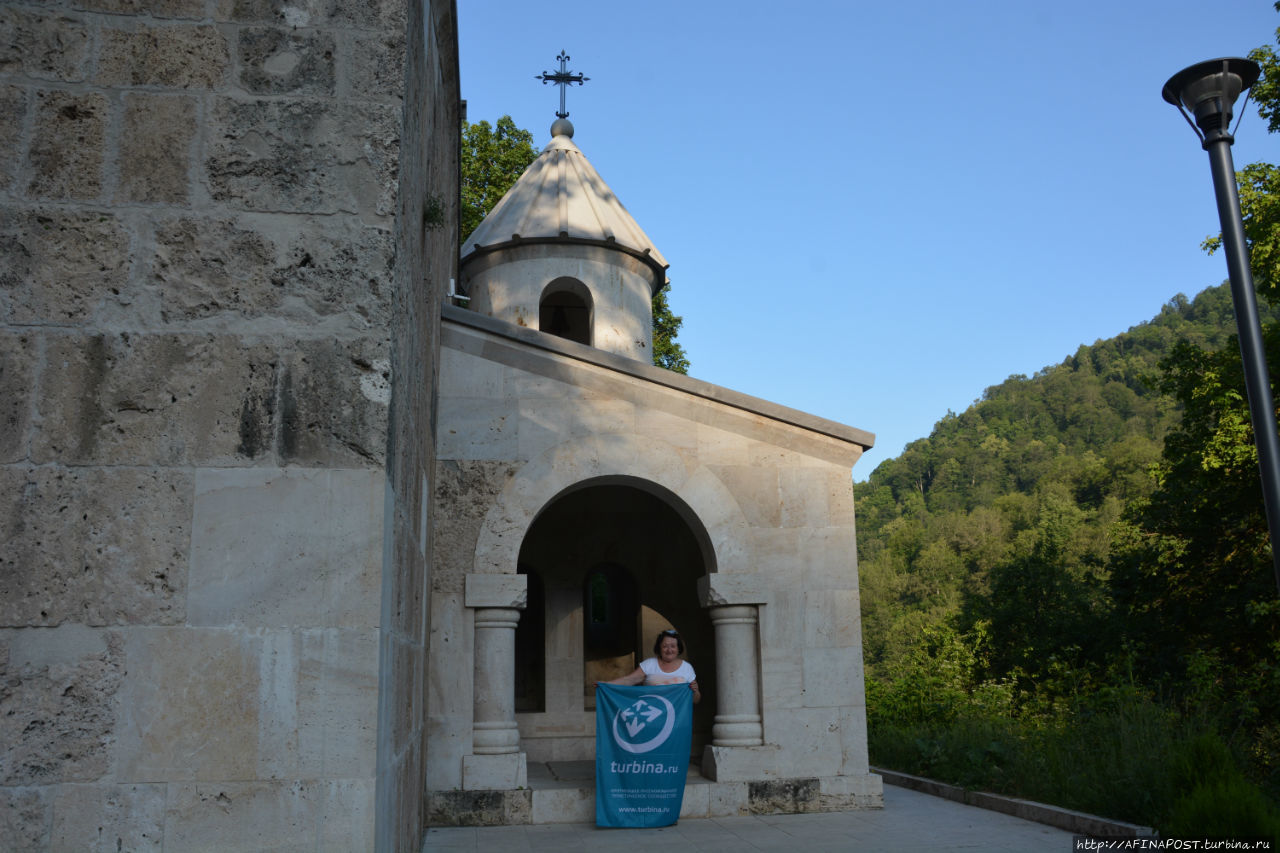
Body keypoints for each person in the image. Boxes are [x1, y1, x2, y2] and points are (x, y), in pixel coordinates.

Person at [605, 629, 700, 703]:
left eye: (673, 646)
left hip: (676, 721)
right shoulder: (649, 664)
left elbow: (696, 700)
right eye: (665, 646)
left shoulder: (686, 668)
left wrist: (695, 691)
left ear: (678, 649)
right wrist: (606, 685)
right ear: (659, 648)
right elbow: (629, 679)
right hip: (651, 718)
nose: (669, 650)